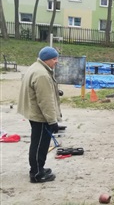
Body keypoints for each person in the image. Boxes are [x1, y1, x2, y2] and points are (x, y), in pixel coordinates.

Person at [18, 46, 62, 183]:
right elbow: (45, 100)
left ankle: (39, 168)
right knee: (40, 145)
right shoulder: (42, 74)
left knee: (38, 143)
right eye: (54, 59)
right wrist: (52, 121)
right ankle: (37, 173)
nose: (56, 62)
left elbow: (40, 91)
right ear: (47, 59)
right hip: (40, 116)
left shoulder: (36, 67)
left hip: (33, 112)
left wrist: (56, 92)